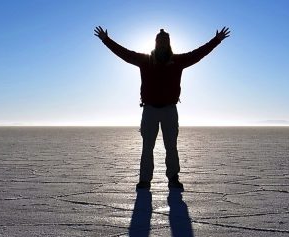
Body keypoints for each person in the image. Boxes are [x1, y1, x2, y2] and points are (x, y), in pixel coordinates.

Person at [94, 26, 230, 191]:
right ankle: (145, 180)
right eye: (160, 41)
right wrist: (106, 40)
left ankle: (173, 178)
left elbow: (198, 54)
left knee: (171, 146)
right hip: (150, 110)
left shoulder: (178, 61)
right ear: (156, 43)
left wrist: (216, 40)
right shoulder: (145, 60)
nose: (163, 45)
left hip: (169, 110)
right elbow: (125, 54)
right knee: (147, 147)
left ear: (169, 44)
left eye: (165, 42)